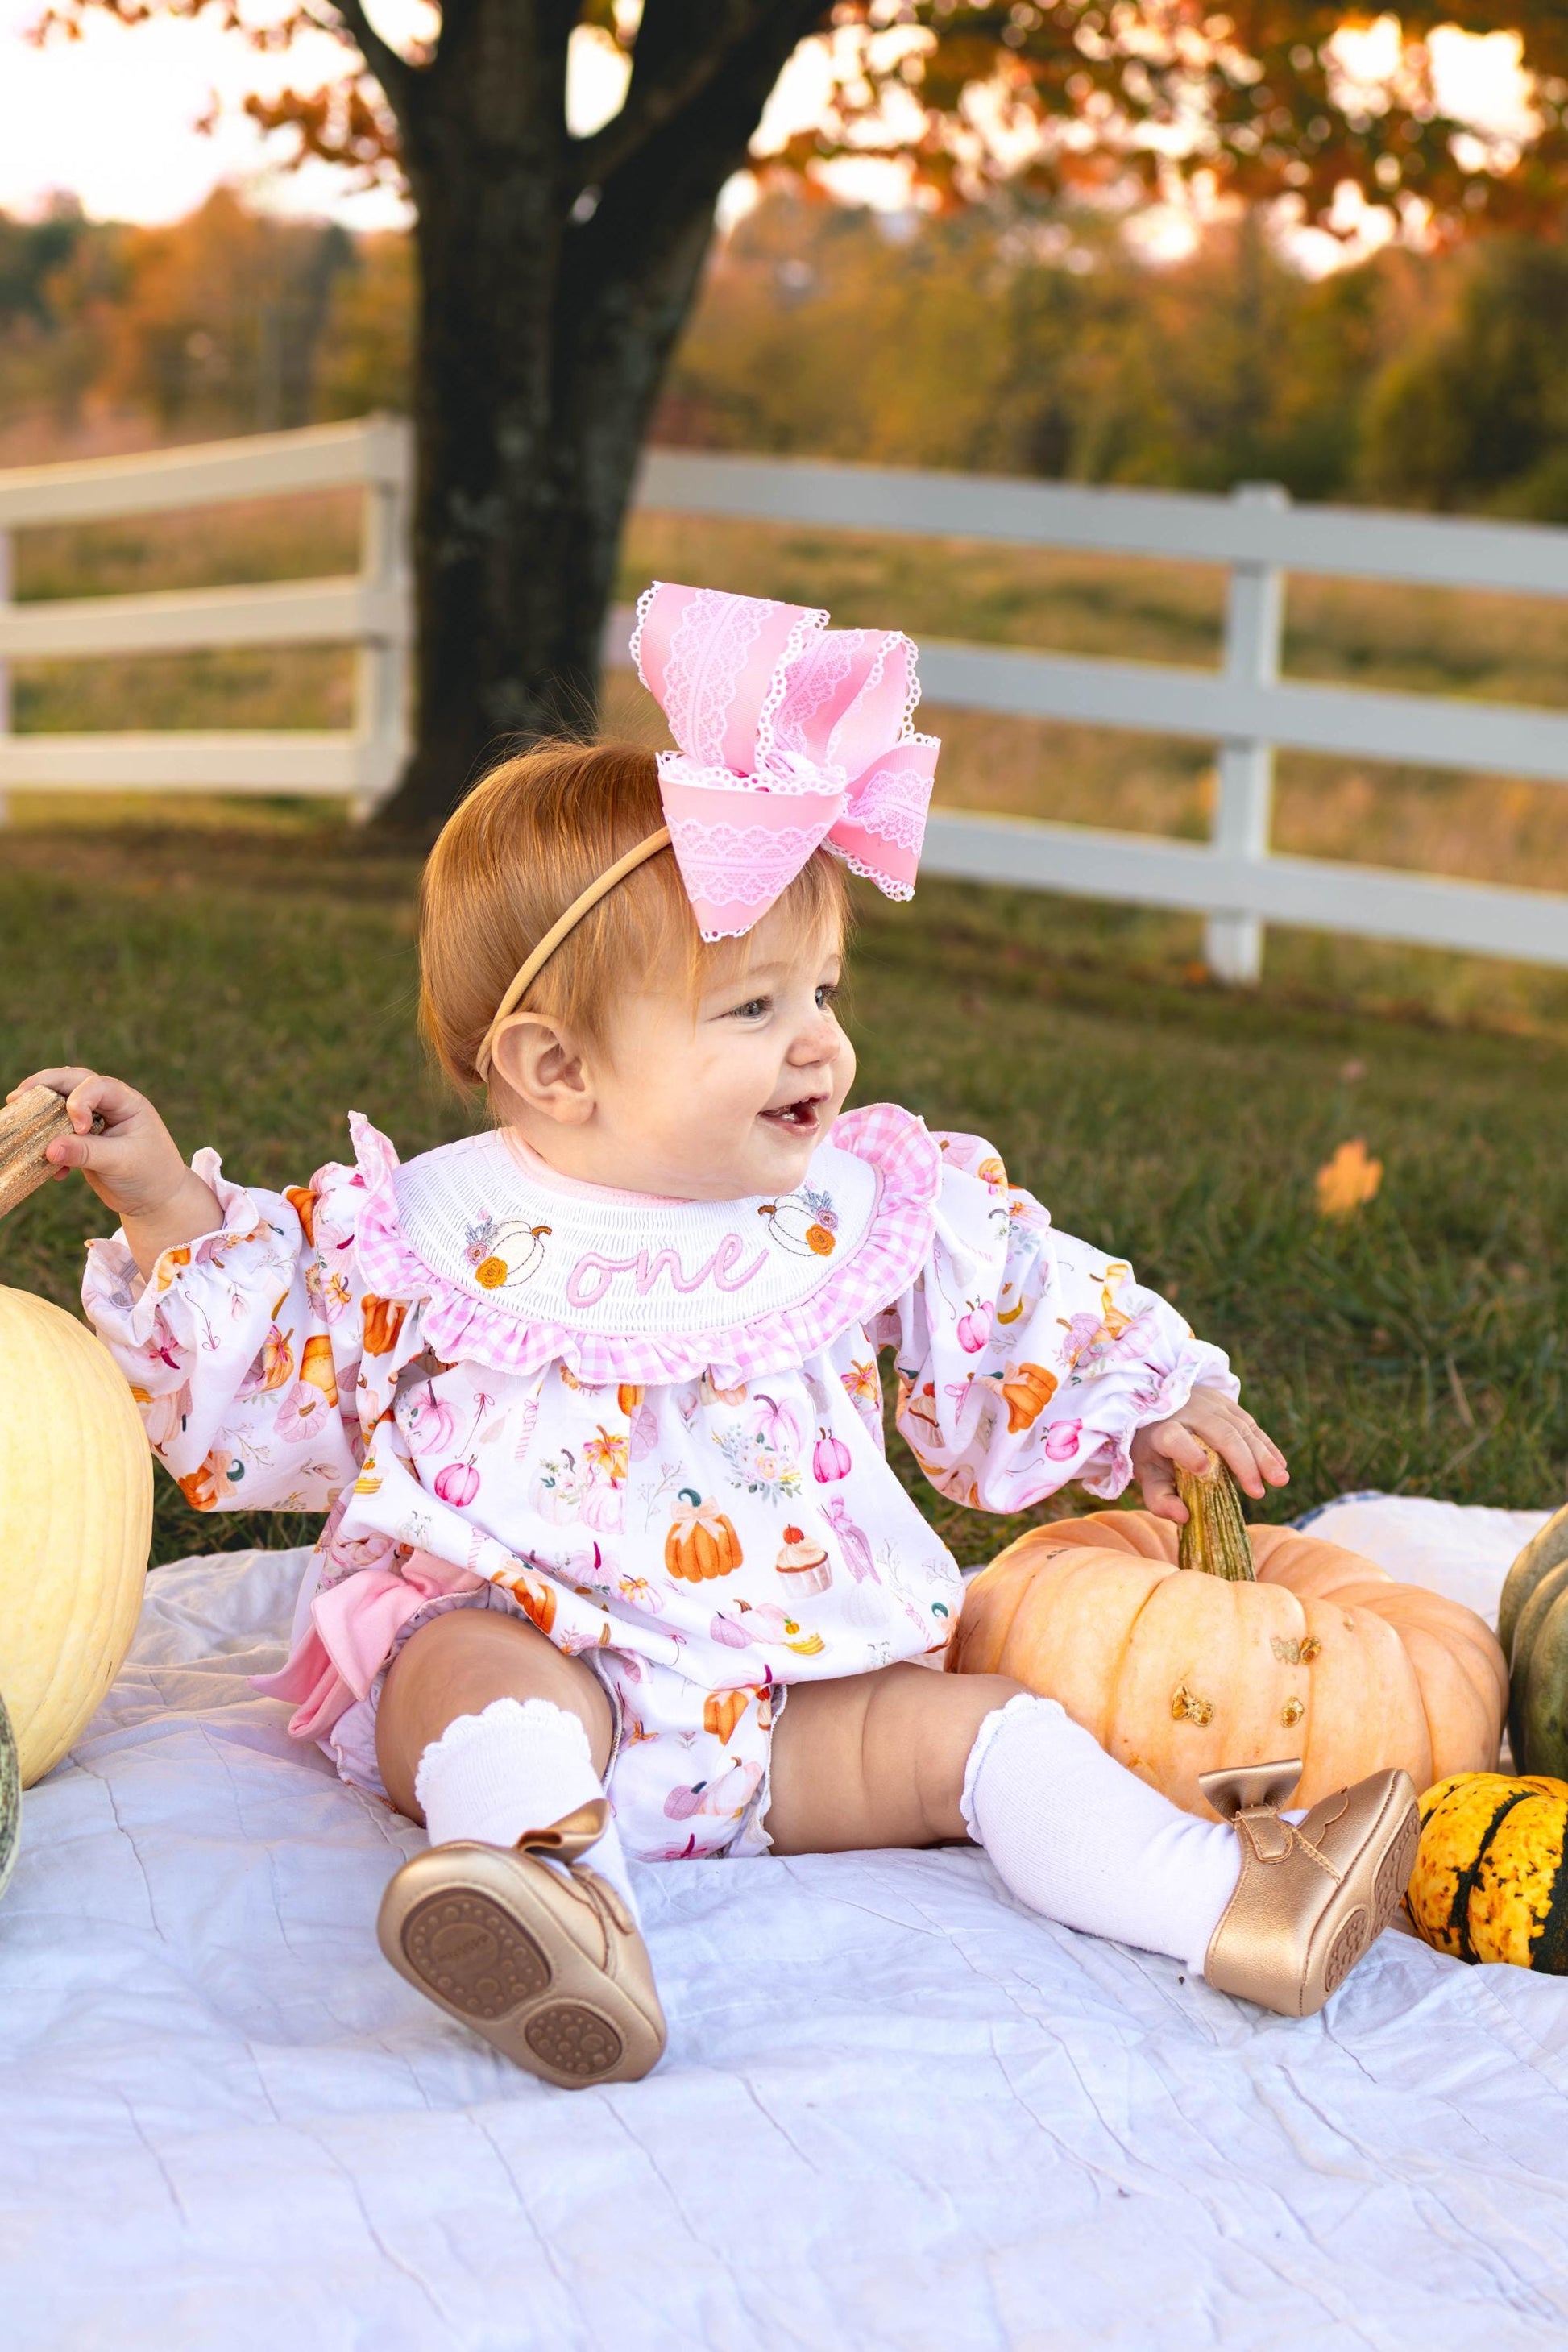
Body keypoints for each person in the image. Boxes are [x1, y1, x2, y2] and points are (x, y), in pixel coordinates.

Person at [23, 583, 1418, 2092]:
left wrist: (1146, 1397)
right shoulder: (433, 1232)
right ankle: (556, 1897)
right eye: (753, 1007)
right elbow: (277, 1369)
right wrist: (166, 1203)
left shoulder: (856, 1205)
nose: (819, 1041)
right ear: (554, 1065)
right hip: (540, 1644)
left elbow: (1010, 1294)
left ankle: (1226, 1901)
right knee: (463, 1678)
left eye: (822, 990)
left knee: (984, 1734)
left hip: (790, 1703)